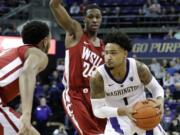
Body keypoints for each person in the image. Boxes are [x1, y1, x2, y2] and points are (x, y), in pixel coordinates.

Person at [90, 30, 167, 135]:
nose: (108, 57)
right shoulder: (98, 77)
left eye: (113, 53)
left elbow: (156, 88)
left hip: (144, 113)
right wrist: (123, 111)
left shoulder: (138, 68)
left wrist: (160, 101)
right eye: (106, 52)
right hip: (117, 118)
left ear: (125, 53)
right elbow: (97, 111)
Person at [49, 0, 107, 135]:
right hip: (76, 94)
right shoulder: (76, 32)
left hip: (96, 97)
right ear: (84, 19)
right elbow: (54, 5)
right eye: (90, 16)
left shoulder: (104, 47)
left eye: (98, 17)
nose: (94, 20)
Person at [0, 20, 50, 135]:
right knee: (28, 131)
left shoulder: (13, 52)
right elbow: (27, 73)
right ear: (45, 41)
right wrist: (26, 115)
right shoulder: (38, 54)